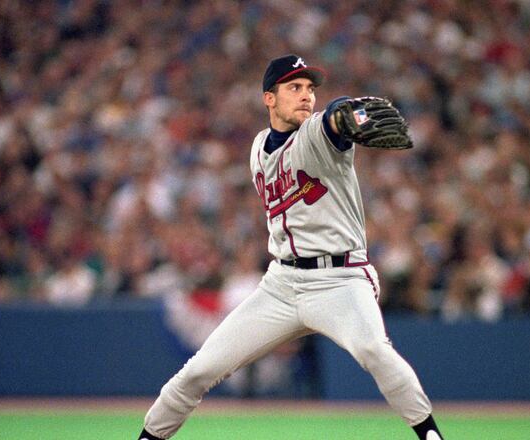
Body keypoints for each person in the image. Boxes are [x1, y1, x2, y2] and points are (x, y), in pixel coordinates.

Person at [138, 54, 444, 440]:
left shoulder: (316, 135)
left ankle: (431, 436)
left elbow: (335, 119)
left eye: (310, 89)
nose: (306, 96)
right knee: (198, 371)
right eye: (294, 87)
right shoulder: (258, 149)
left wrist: (348, 114)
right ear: (269, 98)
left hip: (340, 279)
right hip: (281, 284)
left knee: (374, 351)